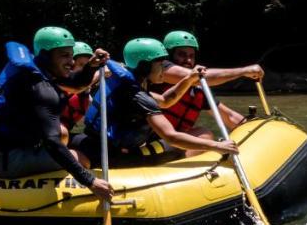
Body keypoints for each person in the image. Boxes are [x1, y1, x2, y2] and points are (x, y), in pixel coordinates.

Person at [0, 27, 115, 202]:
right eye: (64, 55)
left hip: (3, 148)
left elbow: (75, 83)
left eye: (71, 55)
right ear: (45, 56)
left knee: (69, 138)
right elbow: (52, 142)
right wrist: (90, 181)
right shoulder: (39, 88)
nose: (71, 62)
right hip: (4, 161)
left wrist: (91, 66)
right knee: (80, 158)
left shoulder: (39, 69)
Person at [79, 38, 239, 167]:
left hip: (94, 143)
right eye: (160, 64)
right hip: (116, 157)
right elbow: (171, 136)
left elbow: (165, 100)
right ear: (145, 66)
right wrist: (217, 146)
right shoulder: (139, 97)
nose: (164, 69)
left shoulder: (126, 85)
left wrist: (189, 78)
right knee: (181, 146)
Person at [148, 30, 264, 140]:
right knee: (205, 134)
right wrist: (243, 71)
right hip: (147, 139)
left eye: (191, 56)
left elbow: (229, 117)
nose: (188, 60)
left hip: (173, 141)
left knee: (203, 134)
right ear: (169, 55)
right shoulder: (161, 70)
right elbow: (197, 77)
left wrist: (256, 129)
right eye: (182, 54)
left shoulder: (197, 90)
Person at [59, 41, 98, 139]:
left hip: (74, 133)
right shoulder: (59, 81)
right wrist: (97, 75)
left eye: (87, 65)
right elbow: (77, 88)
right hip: (57, 132)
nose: (86, 69)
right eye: (81, 64)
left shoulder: (89, 91)